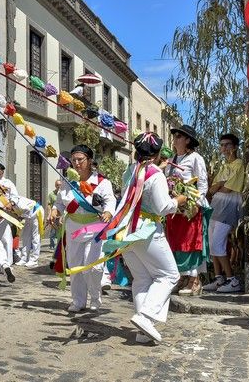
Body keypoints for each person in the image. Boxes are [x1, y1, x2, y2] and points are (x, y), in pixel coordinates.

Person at [99, 132, 186, 343]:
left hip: (127, 230)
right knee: (169, 275)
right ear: (157, 154)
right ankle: (145, 317)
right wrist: (179, 200)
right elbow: (162, 207)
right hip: (146, 230)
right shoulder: (154, 174)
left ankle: (142, 332)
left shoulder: (130, 170)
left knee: (142, 278)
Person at [50, 145, 116, 312]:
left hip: (94, 229)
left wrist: (108, 212)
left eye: (80, 160)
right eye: (74, 160)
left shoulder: (102, 182)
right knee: (76, 266)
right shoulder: (67, 182)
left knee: (92, 266)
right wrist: (54, 210)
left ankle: (95, 297)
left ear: (89, 161)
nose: (77, 163)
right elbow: (59, 202)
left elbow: (110, 201)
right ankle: (78, 301)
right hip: (73, 229)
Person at [164, 125, 209, 296]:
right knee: (176, 242)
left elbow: (202, 183)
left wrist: (196, 202)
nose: (174, 139)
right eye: (174, 136)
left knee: (190, 242)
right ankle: (182, 277)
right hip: (176, 207)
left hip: (190, 206)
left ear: (187, 140)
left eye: (178, 137)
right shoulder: (172, 159)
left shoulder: (195, 158)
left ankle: (194, 280)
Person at [204, 133, 245, 293]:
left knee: (217, 244)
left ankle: (232, 280)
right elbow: (212, 189)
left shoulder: (239, 164)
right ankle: (219, 278)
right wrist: (220, 184)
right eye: (221, 145)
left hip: (228, 208)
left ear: (234, 147)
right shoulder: (223, 167)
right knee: (212, 244)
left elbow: (228, 189)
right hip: (216, 207)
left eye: (227, 145)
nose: (224, 148)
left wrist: (220, 185)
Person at [47, 180, 63, 250]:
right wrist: (49, 215)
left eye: (60, 185)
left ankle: (60, 246)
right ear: (55, 185)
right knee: (53, 232)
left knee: (61, 231)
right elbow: (49, 206)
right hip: (54, 216)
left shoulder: (63, 194)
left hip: (61, 216)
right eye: (57, 185)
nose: (58, 186)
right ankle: (52, 247)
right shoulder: (51, 194)